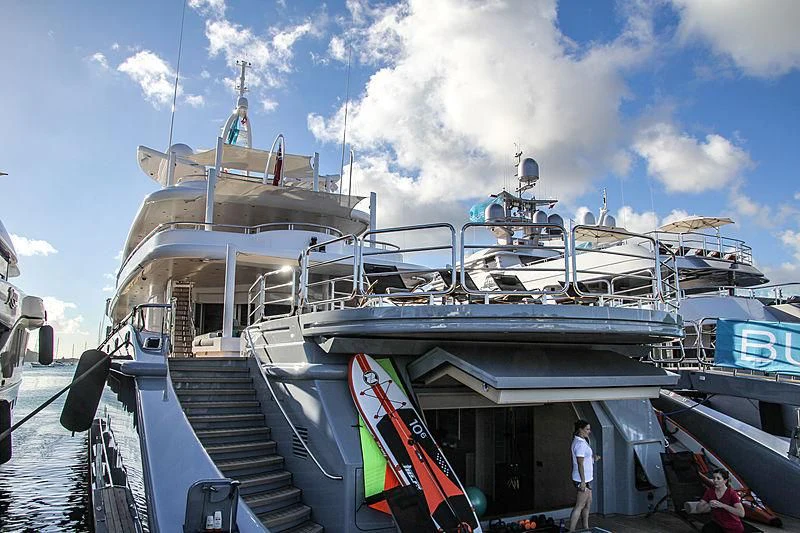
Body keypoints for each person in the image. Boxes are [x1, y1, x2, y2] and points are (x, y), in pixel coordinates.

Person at [568, 420, 599, 532]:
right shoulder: (580, 444)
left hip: (587, 479)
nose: (589, 431)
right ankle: (571, 530)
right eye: (587, 429)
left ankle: (586, 527)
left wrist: (593, 459)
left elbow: (584, 460)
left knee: (587, 503)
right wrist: (582, 481)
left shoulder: (582, 441)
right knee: (580, 505)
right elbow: (580, 463)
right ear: (580, 430)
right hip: (582, 479)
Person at [696, 468, 745, 533]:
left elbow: (741, 513)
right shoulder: (710, 491)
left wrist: (722, 505)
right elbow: (699, 509)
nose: (715, 480)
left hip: (733, 527)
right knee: (707, 529)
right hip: (718, 524)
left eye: (718, 478)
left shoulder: (731, 493)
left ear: (725, 481)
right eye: (714, 478)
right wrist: (708, 504)